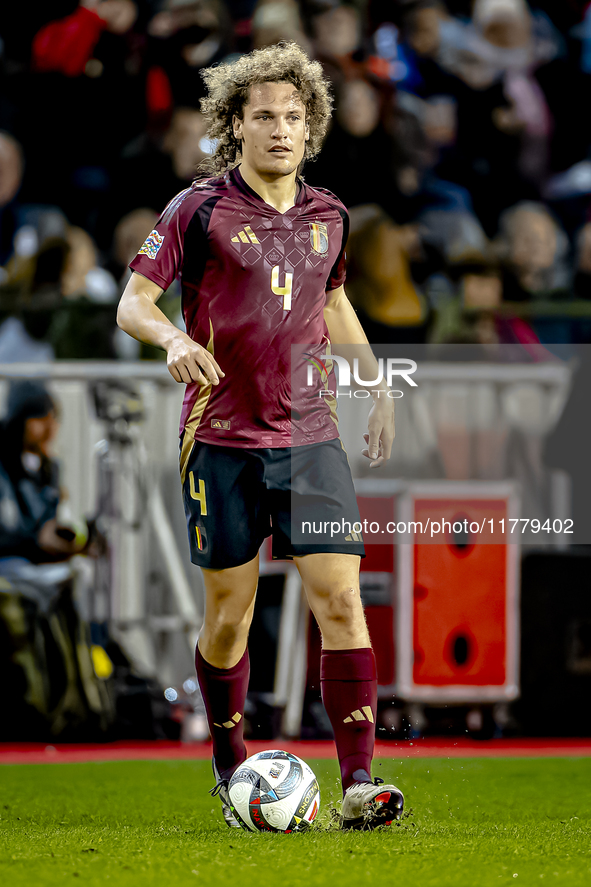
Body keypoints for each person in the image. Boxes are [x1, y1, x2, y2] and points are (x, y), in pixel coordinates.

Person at [116, 41, 404, 831]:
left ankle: (358, 782)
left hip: (312, 439)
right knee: (228, 618)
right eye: (263, 116)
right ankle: (227, 759)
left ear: (310, 129)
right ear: (233, 126)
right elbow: (133, 302)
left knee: (340, 600)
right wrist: (170, 339)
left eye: (293, 116)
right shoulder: (197, 209)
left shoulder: (330, 215)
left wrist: (376, 386)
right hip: (221, 440)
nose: (280, 128)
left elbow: (334, 305)